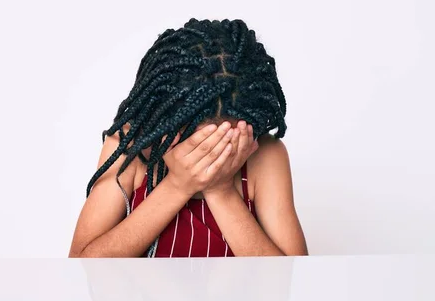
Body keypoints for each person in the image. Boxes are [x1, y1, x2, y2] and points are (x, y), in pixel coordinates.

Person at [68, 18, 308, 258]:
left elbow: (291, 280)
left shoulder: (265, 156)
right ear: (165, 118)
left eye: (227, 138)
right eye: (196, 137)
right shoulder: (127, 149)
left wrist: (220, 191)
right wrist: (178, 186)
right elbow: (82, 266)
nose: (209, 151)